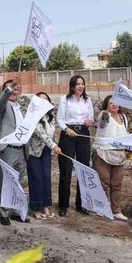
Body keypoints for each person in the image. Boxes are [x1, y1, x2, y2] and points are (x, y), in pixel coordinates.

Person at [56, 75, 94, 217]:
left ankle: (81, 204)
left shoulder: (88, 100)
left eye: (82, 84)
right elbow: (59, 119)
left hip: (83, 133)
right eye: (78, 84)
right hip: (68, 134)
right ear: (72, 86)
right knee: (66, 170)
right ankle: (63, 205)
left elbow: (91, 117)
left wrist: (91, 121)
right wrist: (67, 129)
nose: (80, 86)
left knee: (83, 169)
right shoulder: (64, 100)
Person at [0, 78, 28, 225]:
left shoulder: (19, 106)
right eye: (10, 89)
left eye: (16, 89)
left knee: (18, 182)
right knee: (5, 181)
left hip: (21, 149)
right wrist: (7, 90)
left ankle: (15, 210)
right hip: (7, 149)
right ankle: (3, 212)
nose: (14, 91)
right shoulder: (2, 105)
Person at [91, 95, 129, 221]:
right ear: (106, 105)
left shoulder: (123, 118)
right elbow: (102, 123)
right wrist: (105, 115)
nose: (114, 105)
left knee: (116, 183)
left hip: (119, 155)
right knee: (104, 182)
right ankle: (102, 207)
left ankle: (116, 210)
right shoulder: (104, 115)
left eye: (116, 102)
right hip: (103, 153)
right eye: (111, 103)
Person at [26, 92, 62, 220]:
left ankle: (46, 205)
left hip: (46, 151)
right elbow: (41, 134)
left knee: (46, 178)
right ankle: (36, 207)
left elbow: (51, 134)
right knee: (36, 178)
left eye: (46, 100)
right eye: (41, 100)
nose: (44, 102)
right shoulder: (32, 116)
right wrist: (54, 146)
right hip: (34, 152)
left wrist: (52, 146)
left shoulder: (50, 116)